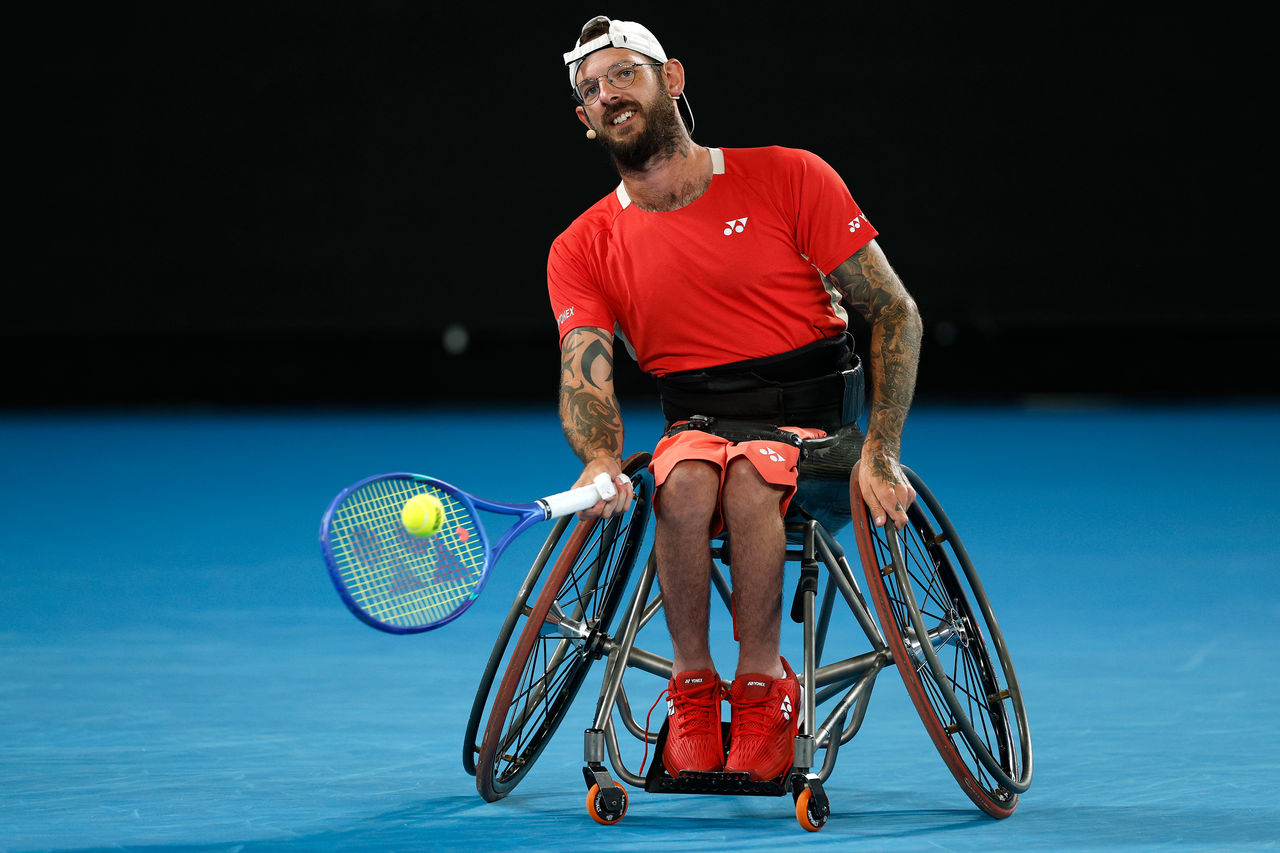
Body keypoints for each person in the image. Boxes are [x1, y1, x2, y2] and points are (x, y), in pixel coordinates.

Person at [548, 16, 922, 783]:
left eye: (624, 74)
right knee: (679, 483)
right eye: (590, 90)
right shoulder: (582, 246)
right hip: (698, 421)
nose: (607, 94)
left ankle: (762, 688)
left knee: (754, 474)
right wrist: (595, 460)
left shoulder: (789, 175)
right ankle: (692, 692)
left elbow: (893, 312)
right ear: (584, 122)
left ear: (672, 79)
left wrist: (882, 447)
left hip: (818, 421)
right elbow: (583, 370)